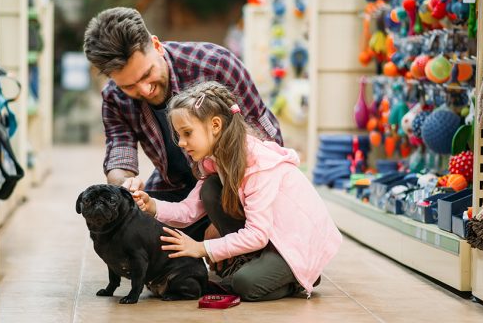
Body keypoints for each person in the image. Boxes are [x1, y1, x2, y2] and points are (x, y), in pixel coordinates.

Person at [83, 7, 283, 241]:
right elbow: (120, 153)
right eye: (129, 86)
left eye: (147, 74)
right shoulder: (114, 97)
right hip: (178, 188)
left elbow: (266, 144)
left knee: (215, 197)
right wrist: (125, 186)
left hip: (236, 185)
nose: (144, 90)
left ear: (157, 46)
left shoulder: (215, 64)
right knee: (132, 224)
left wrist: (223, 221)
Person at [132, 81, 342, 301]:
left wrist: (202, 248)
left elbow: (257, 235)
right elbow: (188, 211)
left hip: (295, 242)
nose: (182, 143)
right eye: (178, 135)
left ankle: (299, 277)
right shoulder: (215, 160)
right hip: (270, 235)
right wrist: (152, 205)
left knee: (244, 284)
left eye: (187, 133)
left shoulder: (257, 165)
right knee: (211, 189)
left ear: (215, 125)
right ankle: (256, 264)